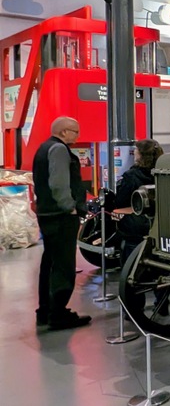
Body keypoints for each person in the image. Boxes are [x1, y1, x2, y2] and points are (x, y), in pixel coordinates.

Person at [33, 116, 90, 331]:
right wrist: (70, 207)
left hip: (47, 214)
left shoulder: (43, 148)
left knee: (50, 262)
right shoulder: (58, 150)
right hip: (60, 216)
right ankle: (58, 314)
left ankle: (46, 311)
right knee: (63, 266)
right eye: (75, 131)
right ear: (64, 132)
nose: (78, 135)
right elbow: (58, 184)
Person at [116, 139, 164, 261]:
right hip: (160, 222)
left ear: (140, 154)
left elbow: (121, 200)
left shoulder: (131, 175)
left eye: (136, 150)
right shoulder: (164, 173)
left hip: (137, 225)